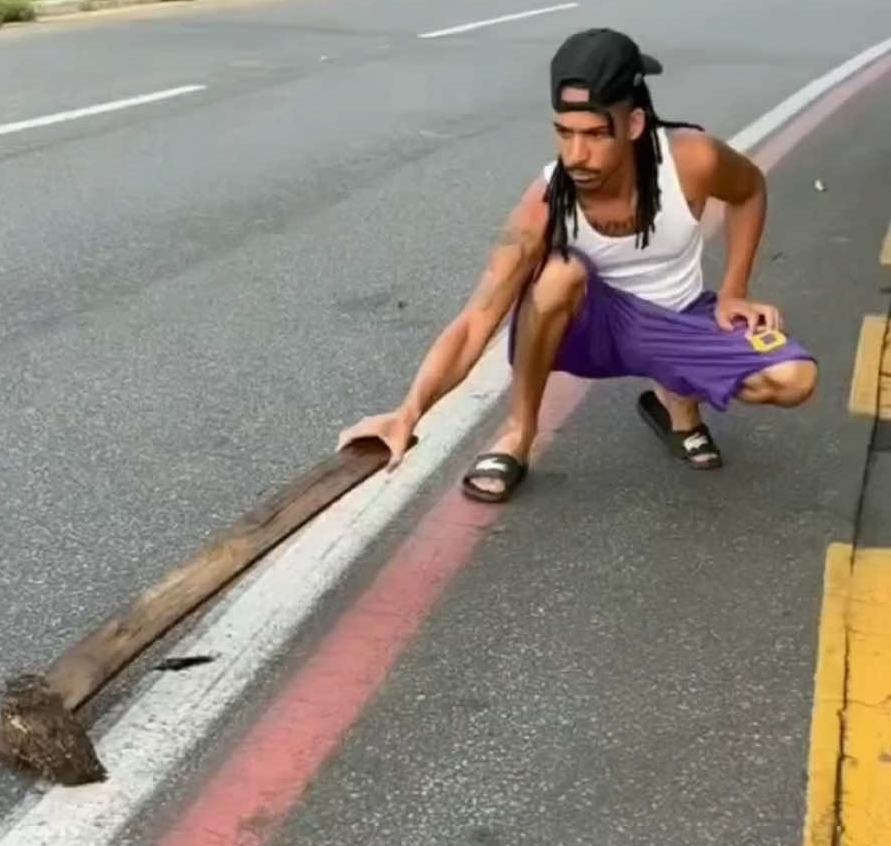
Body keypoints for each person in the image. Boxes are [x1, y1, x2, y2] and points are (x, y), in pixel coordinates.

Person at [338, 27, 818, 502]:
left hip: (678, 318)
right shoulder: (546, 201)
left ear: (632, 125)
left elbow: (750, 190)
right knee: (558, 274)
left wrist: (734, 289)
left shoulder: (693, 160)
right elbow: (476, 319)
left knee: (794, 380)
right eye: (564, 132)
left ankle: (676, 398)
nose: (575, 154)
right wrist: (409, 412)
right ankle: (518, 435)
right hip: (594, 328)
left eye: (593, 134)